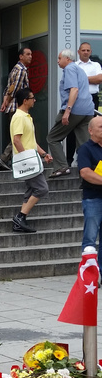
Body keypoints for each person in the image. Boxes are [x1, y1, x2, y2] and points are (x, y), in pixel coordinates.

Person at [10, 90, 52, 233]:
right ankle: (20, 217)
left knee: (31, 190)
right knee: (42, 188)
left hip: (31, 160)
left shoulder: (27, 117)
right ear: (25, 101)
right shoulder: (19, 117)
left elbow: (31, 142)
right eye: (32, 98)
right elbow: (16, 140)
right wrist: (26, 159)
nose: (34, 100)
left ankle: (20, 221)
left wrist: (43, 153)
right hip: (28, 162)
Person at [47, 50, 95, 177]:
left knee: (53, 138)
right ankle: (89, 169)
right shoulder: (80, 69)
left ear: (67, 59)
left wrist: (67, 111)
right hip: (88, 110)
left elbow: (74, 89)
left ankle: (62, 166)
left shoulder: (69, 69)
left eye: (59, 58)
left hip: (75, 110)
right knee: (84, 143)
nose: (57, 61)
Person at [67, 43, 102, 168]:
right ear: (78, 51)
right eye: (83, 50)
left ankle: (90, 160)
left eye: (88, 50)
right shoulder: (74, 66)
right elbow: (72, 83)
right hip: (77, 99)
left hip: (92, 99)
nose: (86, 52)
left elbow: (99, 79)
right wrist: (90, 79)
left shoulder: (96, 65)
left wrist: (81, 78)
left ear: (91, 51)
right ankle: (68, 161)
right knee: (72, 130)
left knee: (93, 130)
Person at [0, 46, 32, 170]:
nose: (30, 56)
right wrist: (8, 101)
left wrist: (4, 101)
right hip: (17, 106)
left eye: (31, 54)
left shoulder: (14, 69)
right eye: (27, 54)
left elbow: (8, 88)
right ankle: (4, 158)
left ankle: (11, 161)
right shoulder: (22, 70)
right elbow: (15, 89)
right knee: (18, 135)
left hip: (11, 106)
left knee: (17, 134)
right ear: (21, 56)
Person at [77, 114, 102, 268]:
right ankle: (89, 276)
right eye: (101, 127)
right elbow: (85, 173)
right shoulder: (85, 149)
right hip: (93, 199)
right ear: (90, 131)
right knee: (90, 238)